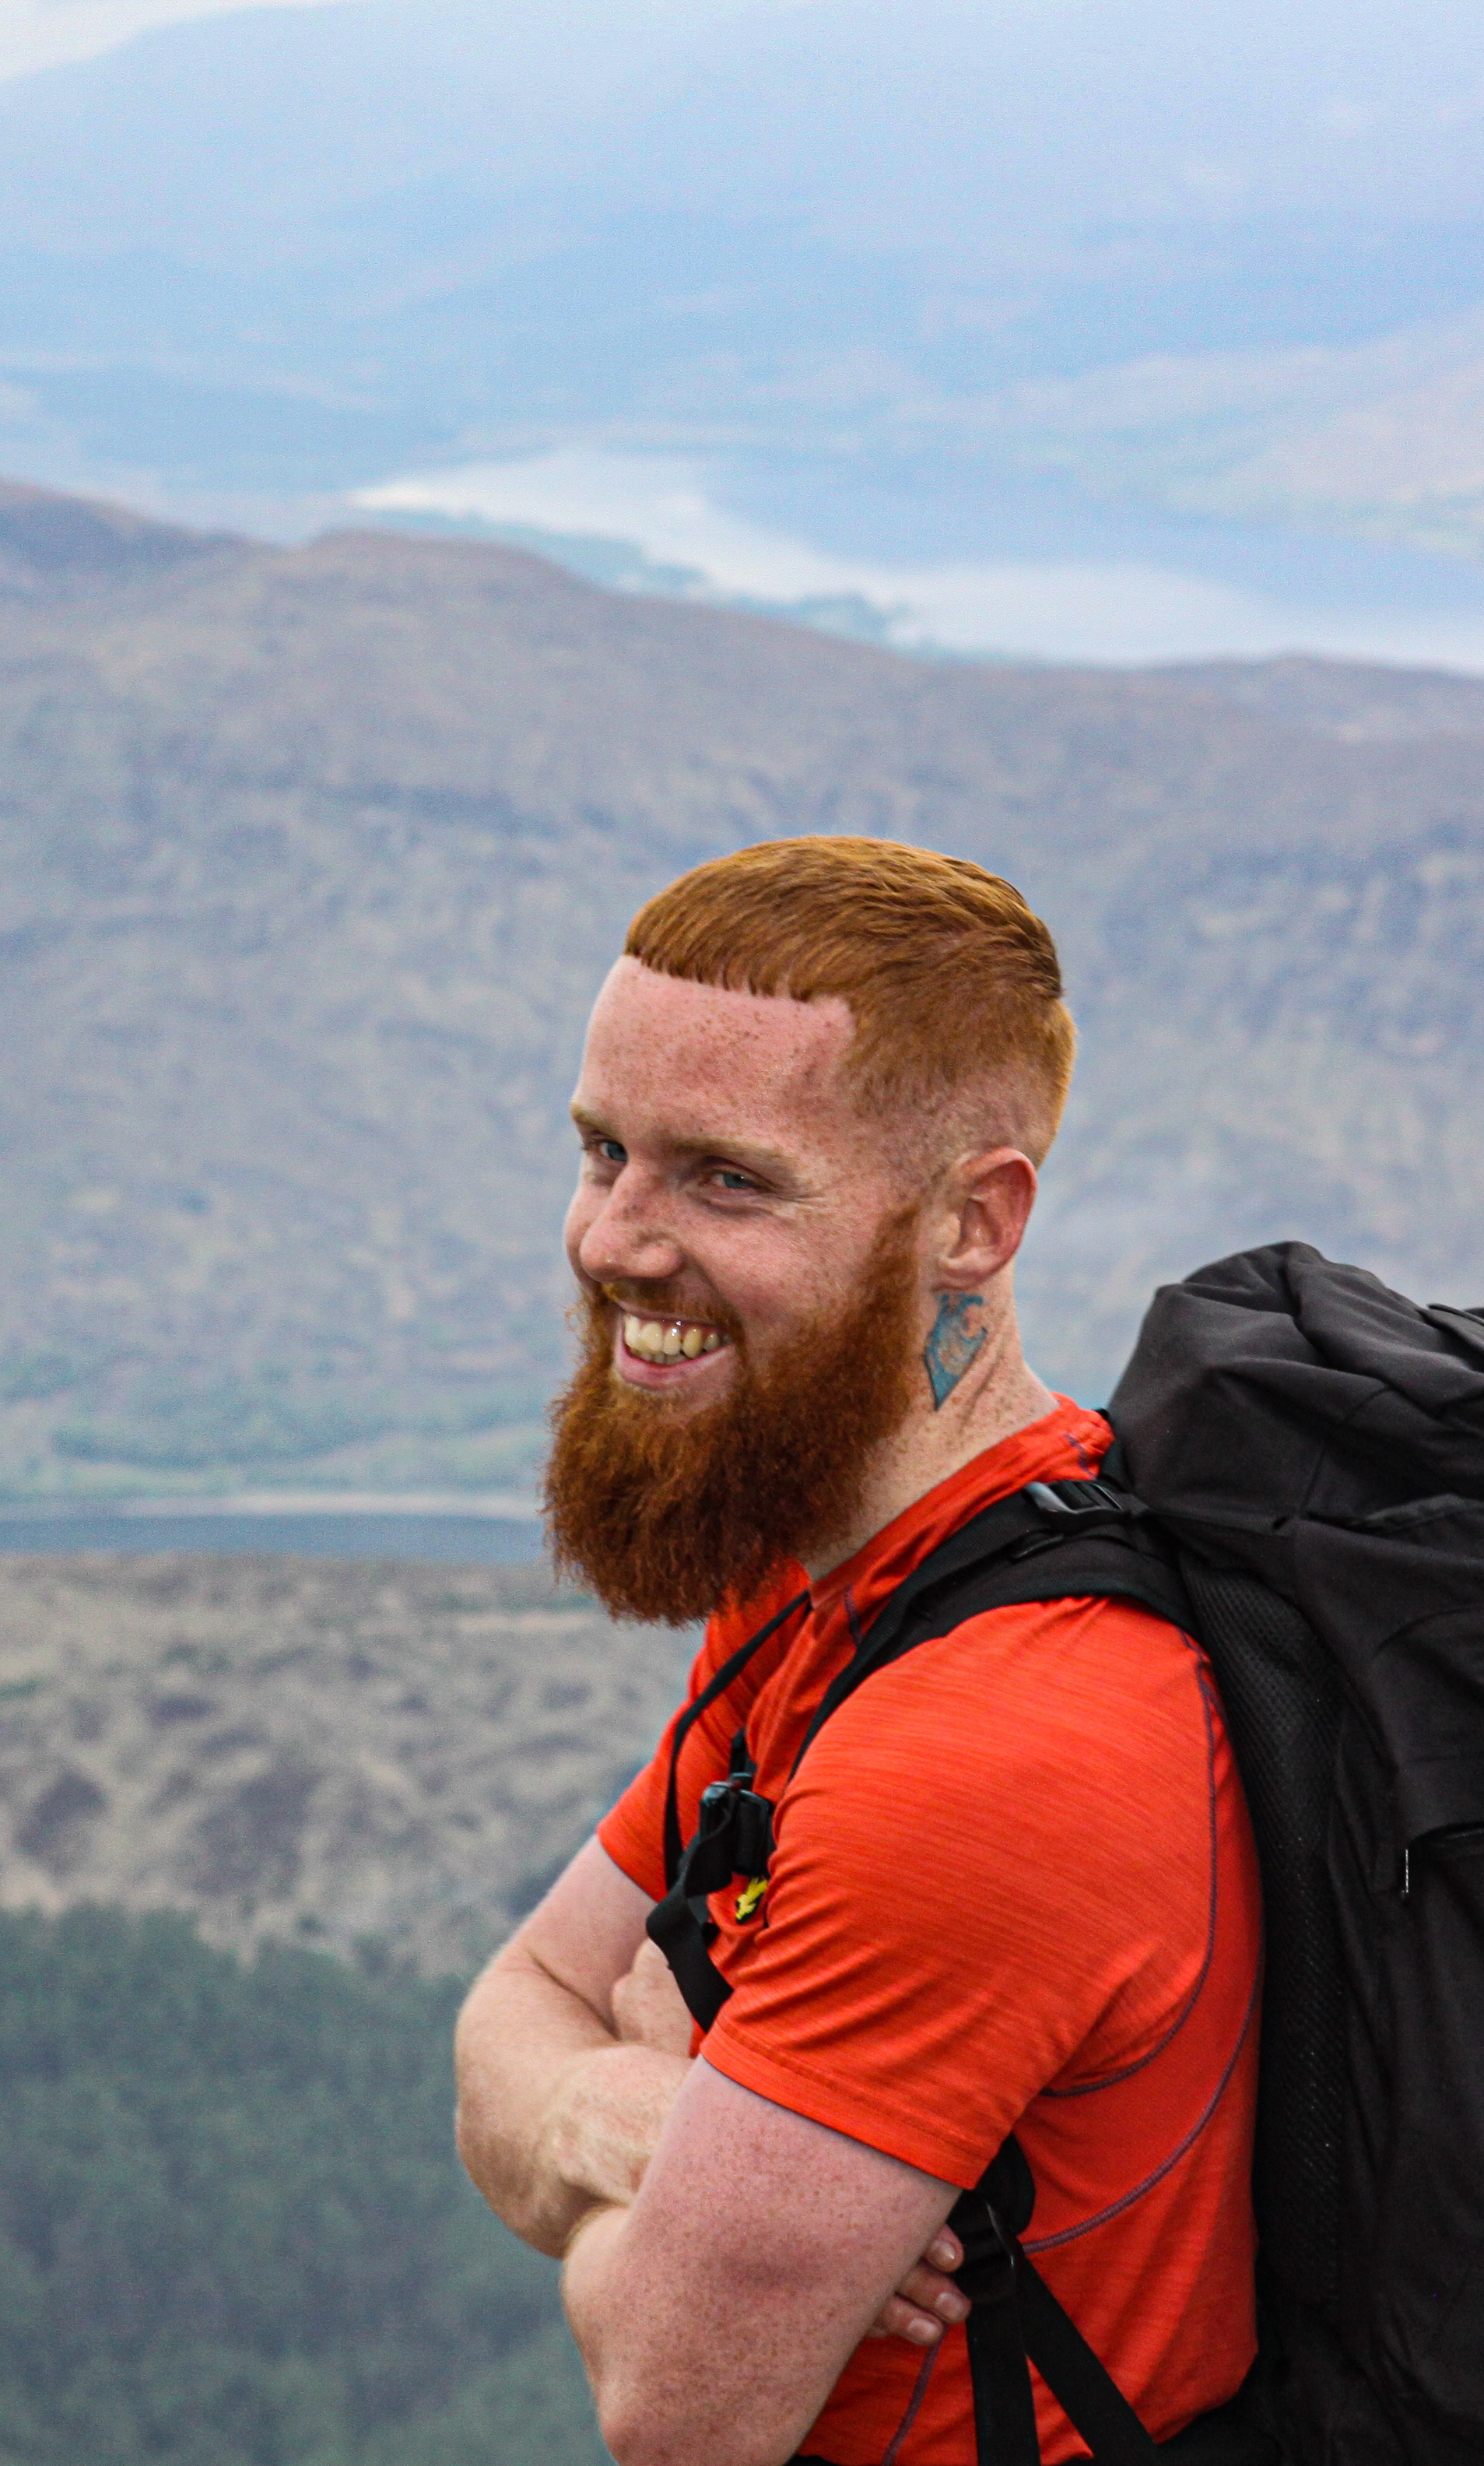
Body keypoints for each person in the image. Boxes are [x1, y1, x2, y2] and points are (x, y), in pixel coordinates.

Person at [454, 838, 1260, 2466]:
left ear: (973, 1221)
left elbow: (677, 2411)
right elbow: (514, 2016)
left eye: (725, 1180)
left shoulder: (991, 1753)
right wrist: (619, 2118)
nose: (615, 1239)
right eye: (604, 1151)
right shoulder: (842, 1575)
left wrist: (637, 2173)